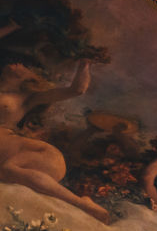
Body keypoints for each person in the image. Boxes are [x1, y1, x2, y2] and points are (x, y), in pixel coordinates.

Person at [0, 51, 109, 221]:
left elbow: (77, 90)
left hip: (39, 154)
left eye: (24, 65)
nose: (18, 64)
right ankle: (82, 203)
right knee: (7, 169)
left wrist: (84, 64)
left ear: (32, 75)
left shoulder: (28, 98)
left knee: (7, 169)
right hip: (15, 154)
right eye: (17, 62)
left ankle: (82, 204)